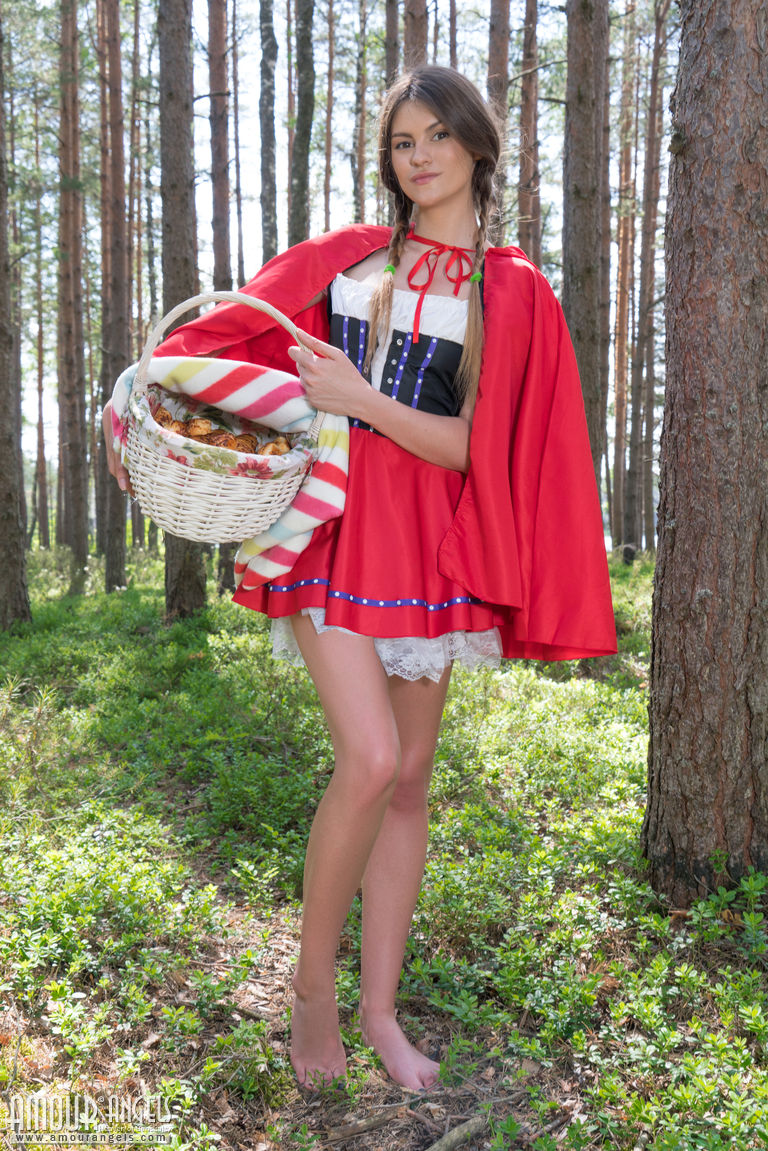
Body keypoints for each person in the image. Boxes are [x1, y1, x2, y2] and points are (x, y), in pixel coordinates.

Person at [104, 66, 616, 1092]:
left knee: (411, 778)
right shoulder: (348, 259)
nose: (418, 157)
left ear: (477, 146)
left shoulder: (510, 288)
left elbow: (479, 448)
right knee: (372, 758)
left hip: (433, 548)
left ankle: (381, 1012)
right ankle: (313, 994)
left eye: (437, 136)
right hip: (329, 531)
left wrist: (361, 397)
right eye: (401, 141)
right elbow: (210, 344)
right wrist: (130, 416)